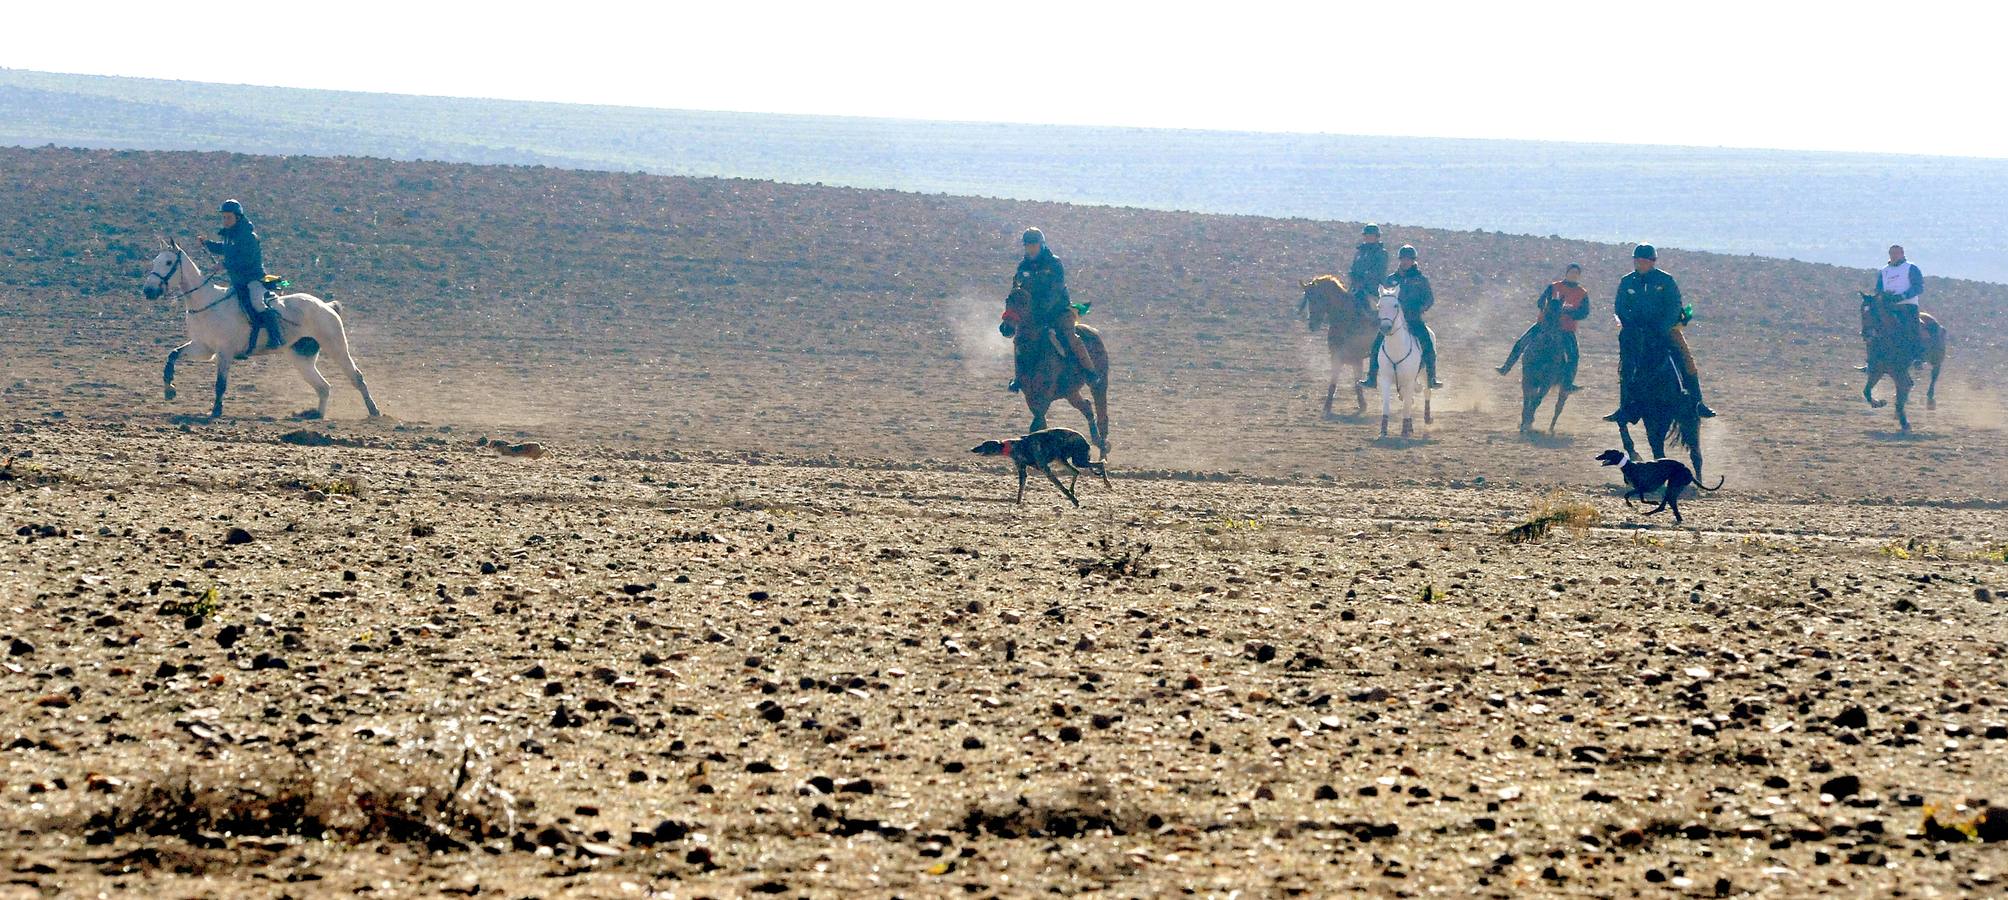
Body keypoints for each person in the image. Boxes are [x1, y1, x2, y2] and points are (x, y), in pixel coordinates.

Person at [1606, 244, 1715, 421]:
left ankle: (1697, 402)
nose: (1639, 264)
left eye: (1643, 261)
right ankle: (1624, 407)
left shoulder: (1666, 280)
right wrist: (1632, 325)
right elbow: (1620, 307)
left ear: (1652, 262)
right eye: (1637, 260)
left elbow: (1674, 306)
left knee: (1685, 358)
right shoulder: (1627, 281)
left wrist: (1660, 327)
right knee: (1626, 365)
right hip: (1636, 330)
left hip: (1664, 330)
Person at [1008, 228, 1100, 392]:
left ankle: (1090, 372)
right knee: (1019, 339)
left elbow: (1056, 291)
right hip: (1034, 313)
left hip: (1058, 310)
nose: (1031, 249)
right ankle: (1018, 378)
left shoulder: (1054, 263)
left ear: (1041, 245)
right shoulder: (1022, 267)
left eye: (1034, 245)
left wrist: (1043, 309)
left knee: (1070, 336)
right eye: (1028, 246)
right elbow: (1019, 290)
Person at [201, 199, 281, 358]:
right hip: (239, 282)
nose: (225, 220)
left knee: (258, 304)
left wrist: (224, 265)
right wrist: (207, 243)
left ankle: (276, 337)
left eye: (228, 217)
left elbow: (245, 260)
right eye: (223, 217)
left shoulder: (249, 237)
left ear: (238, 217)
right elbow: (224, 249)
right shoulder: (230, 236)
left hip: (254, 280)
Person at [1359, 244, 1442, 389]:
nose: (1405, 262)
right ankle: (1371, 377)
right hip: (1392, 321)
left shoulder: (1421, 280)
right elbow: (1384, 297)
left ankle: (1431, 378)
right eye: (1403, 259)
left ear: (1413, 261)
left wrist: (1421, 308)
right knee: (1376, 345)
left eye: (1408, 259)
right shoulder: (1391, 279)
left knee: (1428, 344)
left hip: (1413, 319)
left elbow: (1429, 299)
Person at [1498, 263, 1590, 391]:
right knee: (1521, 342)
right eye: (1571, 272)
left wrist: (1569, 313)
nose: (1573, 275)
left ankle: (1568, 384)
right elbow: (1540, 301)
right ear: (1566, 273)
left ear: (1579, 276)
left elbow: (1584, 312)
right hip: (1544, 325)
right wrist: (1549, 310)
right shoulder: (1554, 287)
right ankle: (1506, 367)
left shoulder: (1582, 293)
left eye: (1576, 273)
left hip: (1565, 329)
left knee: (1573, 356)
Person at [1873, 244, 1925, 365]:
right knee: (1874, 326)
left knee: (1912, 326)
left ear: (1902, 254)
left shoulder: (1911, 268)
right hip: (1888, 305)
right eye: (1892, 254)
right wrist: (1883, 296)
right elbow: (1878, 288)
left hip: (1907, 304)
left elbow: (1918, 287)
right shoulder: (1884, 270)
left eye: (1897, 254)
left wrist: (1902, 296)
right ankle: (1873, 360)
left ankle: (1917, 356)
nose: (1894, 256)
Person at [1345, 224, 1389, 312]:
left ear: (1377, 237)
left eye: (1371, 235)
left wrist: (1363, 281)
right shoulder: (1359, 253)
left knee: (1370, 309)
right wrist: (1353, 277)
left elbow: (1378, 271)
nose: (1368, 237)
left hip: (1373, 289)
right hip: (1356, 288)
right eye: (1366, 235)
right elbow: (1353, 268)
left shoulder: (1381, 253)